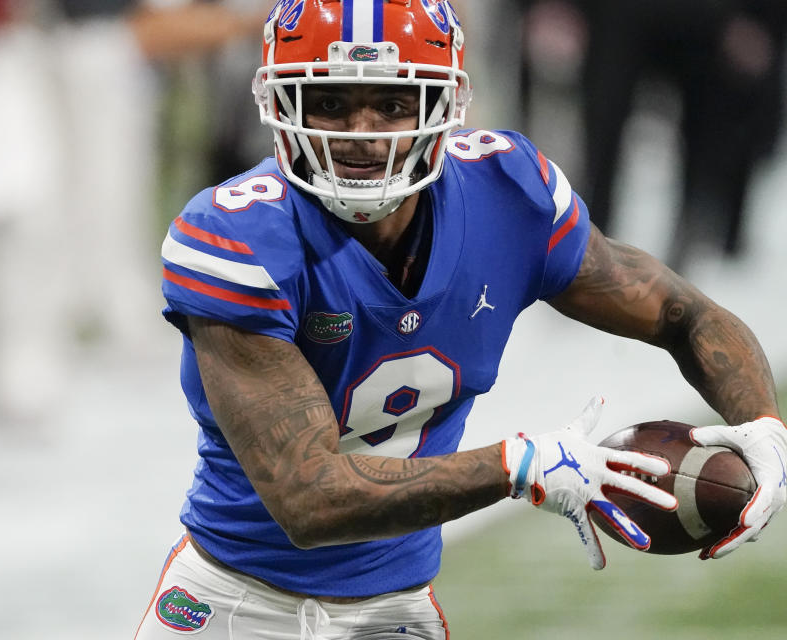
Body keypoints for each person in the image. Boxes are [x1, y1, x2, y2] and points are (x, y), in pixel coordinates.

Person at [140, 1, 786, 638]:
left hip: (393, 611)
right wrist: (518, 465)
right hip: (231, 606)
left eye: (393, 104)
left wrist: (764, 425)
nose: (361, 131)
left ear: (442, 108)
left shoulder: (507, 193)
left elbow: (683, 313)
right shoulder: (238, 237)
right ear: (283, 106)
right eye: (331, 101)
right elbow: (311, 499)